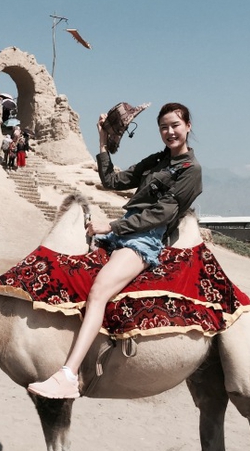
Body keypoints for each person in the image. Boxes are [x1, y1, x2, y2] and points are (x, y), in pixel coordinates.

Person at [27, 102, 202, 399]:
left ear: (188, 126)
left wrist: (110, 226)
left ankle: (69, 375)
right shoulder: (158, 160)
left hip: (143, 239)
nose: (169, 131)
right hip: (124, 232)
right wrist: (102, 142)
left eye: (175, 125)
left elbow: (160, 214)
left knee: (98, 292)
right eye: (163, 127)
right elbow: (112, 181)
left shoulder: (190, 170)